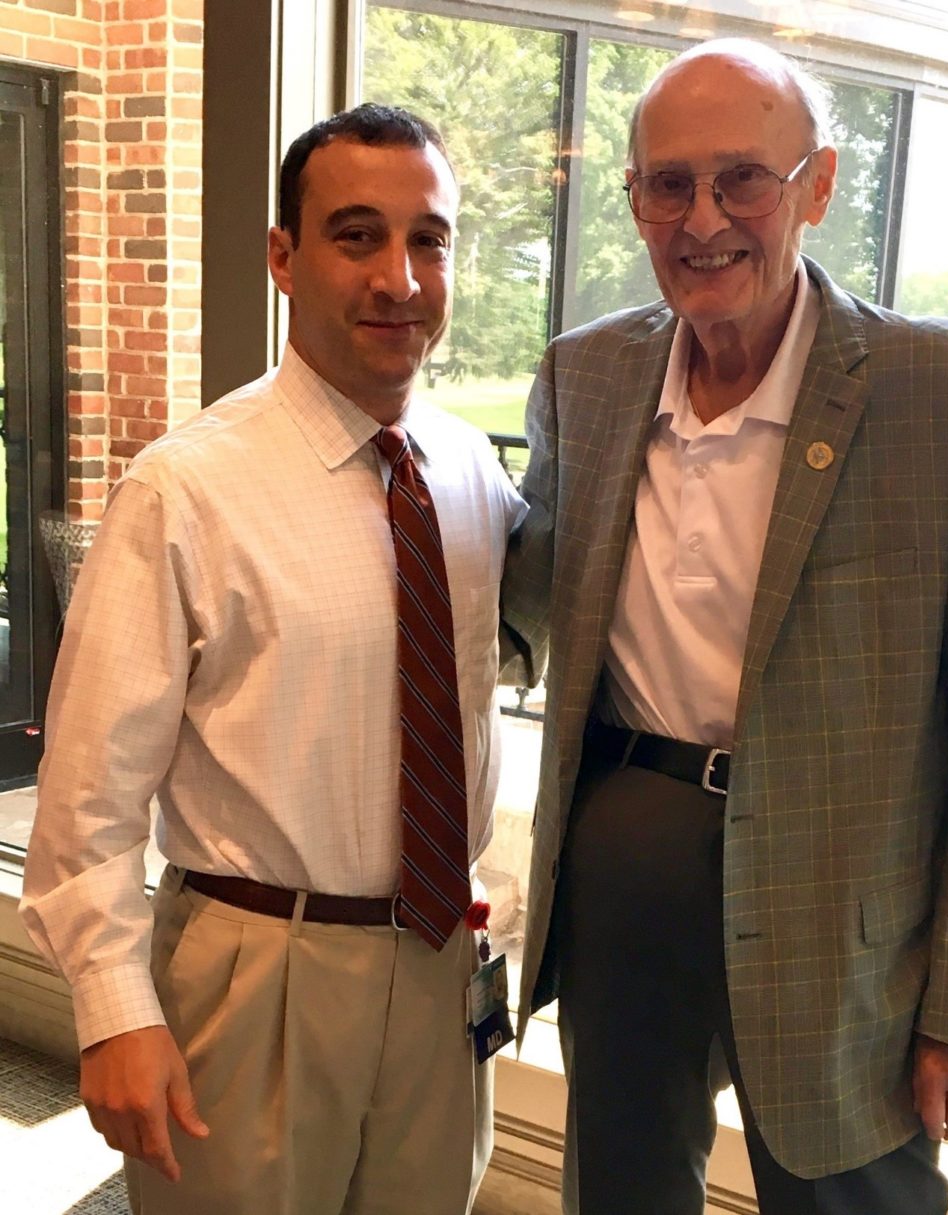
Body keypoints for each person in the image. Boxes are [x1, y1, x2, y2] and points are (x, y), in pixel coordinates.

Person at [500, 38, 948, 1215]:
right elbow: (527, 603)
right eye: (668, 184)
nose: (704, 220)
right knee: (624, 1189)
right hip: (629, 858)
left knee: (855, 1198)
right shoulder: (584, 378)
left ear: (820, 184)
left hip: (845, 904)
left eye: (742, 178)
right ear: (635, 198)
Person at [21, 103, 525, 1215]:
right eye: (357, 236)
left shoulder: (469, 472)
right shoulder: (185, 491)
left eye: (428, 239)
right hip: (259, 974)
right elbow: (88, 797)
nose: (399, 278)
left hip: (444, 968)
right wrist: (114, 1011)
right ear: (283, 260)